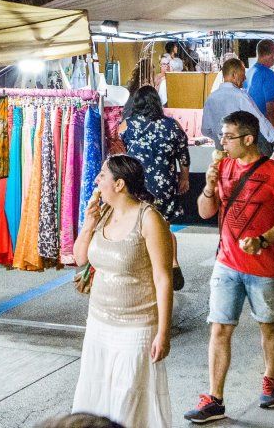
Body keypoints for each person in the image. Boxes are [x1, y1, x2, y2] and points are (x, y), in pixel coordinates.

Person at [186, 111, 274, 422]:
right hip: (226, 263)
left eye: (228, 136)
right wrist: (209, 186)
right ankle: (215, 398)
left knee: (267, 323)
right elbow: (206, 212)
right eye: (222, 136)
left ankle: (270, 381)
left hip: (263, 265)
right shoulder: (221, 167)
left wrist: (262, 240)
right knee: (220, 328)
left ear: (248, 139)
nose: (222, 142)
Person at [72, 155, 174, 428]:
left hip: (137, 326)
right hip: (99, 321)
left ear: (119, 184)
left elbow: (163, 278)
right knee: (96, 392)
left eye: (102, 176)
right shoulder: (103, 214)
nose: (96, 181)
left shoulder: (149, 219)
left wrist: (163, 332)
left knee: (128, 398)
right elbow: (80, 258)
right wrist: (88, 222)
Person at [119, 86, 191, 287]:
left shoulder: (127, 126)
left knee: (139, 227)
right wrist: (184, 178)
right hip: (164, 184)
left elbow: (119, 153)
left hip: (137, 186)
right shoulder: (172, 126)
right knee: (164, 226)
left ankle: (145, 267)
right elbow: (183, 155)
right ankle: (173, 264)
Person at [202, 58, 274, 151]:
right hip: (239, 152)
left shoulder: (211, 98)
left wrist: (220, 138)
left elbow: (205, 130)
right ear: (234, 75)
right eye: (243, 74)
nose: (245, 78)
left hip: (221, 151)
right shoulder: (240, 96)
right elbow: (259, 119)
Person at [247, 40, 274, 133]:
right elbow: (271, 108)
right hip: (266, 130)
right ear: (273, 55)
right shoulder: (268, 74)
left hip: (251, 127)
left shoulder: (249, 72)